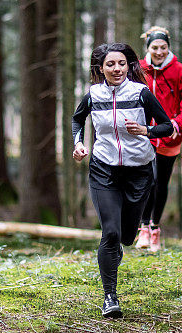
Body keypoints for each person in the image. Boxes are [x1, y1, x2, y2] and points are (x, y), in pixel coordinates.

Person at [72, 43, 173, 318]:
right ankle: (110, 297)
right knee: (111, 233)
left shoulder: (141, 93)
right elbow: (77, 120)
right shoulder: (93, 95)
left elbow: (167, 125)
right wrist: (79, 143)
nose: (116, 69)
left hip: (139, 171)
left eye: (121, 64)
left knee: (127, 236)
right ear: (101, 68)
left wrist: (146, 130)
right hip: (104, 170)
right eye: (110, 64)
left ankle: (118, 246)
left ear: (129, 66)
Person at [135, 26, 182, 252]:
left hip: (170, 137)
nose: (159, 51)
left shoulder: (179, 71)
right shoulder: (139, 69)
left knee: (161, 183)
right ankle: (143, 228)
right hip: (144, 136)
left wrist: (177, 124)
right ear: (148, 48)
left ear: (168, 47)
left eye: (163, 47)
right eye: (155, 47)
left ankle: (155, 229)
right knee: (148, 180)